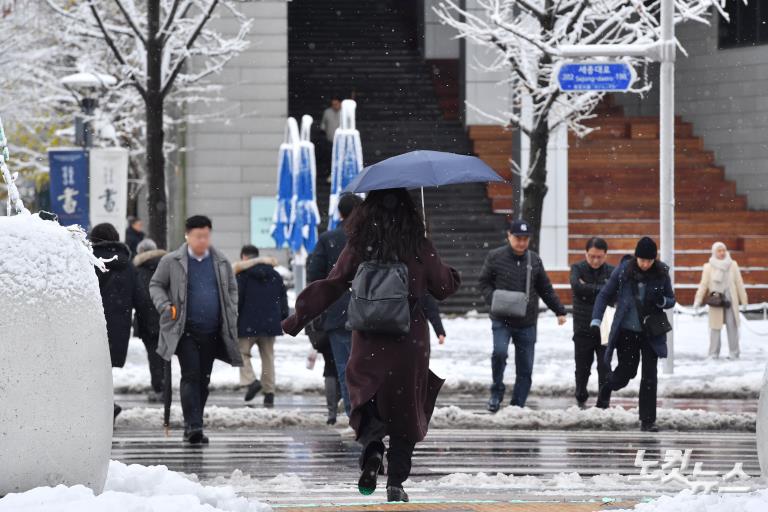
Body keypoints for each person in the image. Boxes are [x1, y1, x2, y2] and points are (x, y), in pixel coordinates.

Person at [282, 188, 460, 503]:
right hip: (409, 341)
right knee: (407, 412)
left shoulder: (359, 244)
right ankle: (395, 483)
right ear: (410, 211)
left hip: (367, 340)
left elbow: (334, 283)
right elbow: (443, 286)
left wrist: (298, 317)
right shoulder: (418, 244)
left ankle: (373, 447)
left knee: (364, 400)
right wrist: (447, 271)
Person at [149, 215, 242, 445]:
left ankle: (195, 420)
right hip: (184, 330)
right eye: (198, 236)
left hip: (212, 331)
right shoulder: (173, 261)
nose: (202, 240)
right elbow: (156, 285)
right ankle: (194, 426)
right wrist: (165, 306)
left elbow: (231, 288)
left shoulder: (220, 261)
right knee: (190, 376)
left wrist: (231, 311)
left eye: (206, 236)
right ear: (187, 236)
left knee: (204, 379)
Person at [478, 220, 568, 413]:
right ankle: (496, 391)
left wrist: (559, 310)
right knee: (499, 353)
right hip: (501, 319)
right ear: (509, 236)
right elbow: (483, 282)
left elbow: (545, 288)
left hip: (526, 321)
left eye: (525, 239)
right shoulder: (495, 257)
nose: (521, 242)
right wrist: (493, 298)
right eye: (518, 238)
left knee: (525, 366)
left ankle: (518, 404)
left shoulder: (533, 260)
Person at [591, 237, 675, 432]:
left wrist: (662, 301)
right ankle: (608, 385)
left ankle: (648, 420)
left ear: (654, 259)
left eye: (649, 261)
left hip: (650, 333)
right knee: (627, 372)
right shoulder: (623, 272)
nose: (645, 264)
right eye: (642, 260)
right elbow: (604, 295)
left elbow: (671, 299)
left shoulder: (661, 273)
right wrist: (596, 319)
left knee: (649, 376)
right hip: (627, 332)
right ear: (636, 257)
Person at [306, 193, 363, 417]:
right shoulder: (372, 240)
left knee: (345, 368)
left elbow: (314, 276)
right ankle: (370, 414)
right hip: (371, 312)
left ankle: (354, 417)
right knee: (368, 369)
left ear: (340, 213)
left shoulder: (328, 239)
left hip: (338, 314)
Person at [90, 223, 153, 421]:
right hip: (118, 327)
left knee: (90, 367)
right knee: (105, 368)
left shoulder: (88, 261)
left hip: (92, 325)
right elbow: (141, 299)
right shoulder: (128, 265)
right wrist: (149, 326)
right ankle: (107, 404)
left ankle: (104, 406)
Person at [233, 245, 289, 407]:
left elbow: (238, 300)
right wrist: (282, 317)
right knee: (268, 357)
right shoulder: (275, 275)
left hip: (246, 323)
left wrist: (233, 319)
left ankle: (251, 381)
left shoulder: (242, 275)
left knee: (242, 354)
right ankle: (269, 392)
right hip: (270, 323)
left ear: (244, 257)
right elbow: (283, 299)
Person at [570, 237, 615, 408]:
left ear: (605, 255)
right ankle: (581, 393)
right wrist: (603, 289)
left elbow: (615, 292)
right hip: (583, 326)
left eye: (599, 257)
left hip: (605, 325)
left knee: (604, 367)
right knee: (582, 366)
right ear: (586, 254)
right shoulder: (577, 268)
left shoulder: (612, 271)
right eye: (591, 256)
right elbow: (577, 287)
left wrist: (589, 288)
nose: (595, 261)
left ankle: (603, 401)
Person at [694, 242, 748, 359]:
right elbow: (703, 285)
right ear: (714, 252)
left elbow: (739, 283)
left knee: (732, 327)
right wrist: (697, 300)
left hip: (730, 299)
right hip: (716, 300)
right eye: (719, 250)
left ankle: (734, 353)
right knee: (715, 327)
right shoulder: (708, 267)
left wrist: (744, 300)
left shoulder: (733, 265)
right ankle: (713, 354)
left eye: (723, 250)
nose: (722, 253)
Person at [133, 238, 168, 403]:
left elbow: (137, 296)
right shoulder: (166, 266)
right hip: (166, 317)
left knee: (153, 356)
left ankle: (159, 387)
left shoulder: (137, 271)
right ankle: (165, 387)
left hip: (146, 320)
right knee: (164, 356)